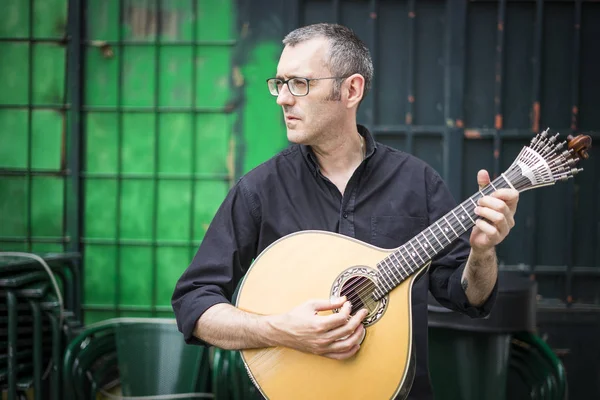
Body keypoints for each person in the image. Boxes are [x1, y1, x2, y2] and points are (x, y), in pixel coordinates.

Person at [172, 23, 519, 399]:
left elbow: (468, 297)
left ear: (351, 89)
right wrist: (280, 329)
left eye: (299, 84)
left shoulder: (417, 182)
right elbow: (194, 303)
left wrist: (483, 252)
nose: (282, 99)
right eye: (279, 83)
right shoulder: (260, 190)